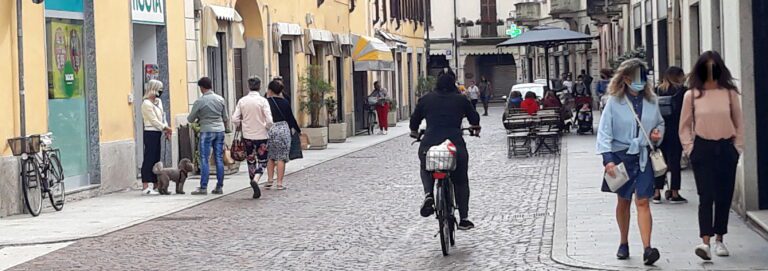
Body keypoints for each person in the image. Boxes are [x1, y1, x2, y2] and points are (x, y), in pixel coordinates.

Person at [597, 58, 664, 266]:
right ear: (625, 79)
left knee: (643, 201)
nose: (641, 82)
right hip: (620, 156)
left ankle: (647, 248)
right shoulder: (613, 102)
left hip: (643, 156)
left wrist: (657, 134)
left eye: (643, 78)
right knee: (623, 201)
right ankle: (623, 242)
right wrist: (607, 159)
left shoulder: (652, 102)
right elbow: (604, 131)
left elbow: (660, 123)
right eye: (636, 78)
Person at [679, 51, 743, 260]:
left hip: (726, 148)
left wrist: (737, 148)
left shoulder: (729, 93)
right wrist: (690, 149)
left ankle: (720, 239)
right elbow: (684, 126)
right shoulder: (692, 95)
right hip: (703, 148)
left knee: (724, 196)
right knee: (705, 196)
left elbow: (739, 122)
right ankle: (704, 241)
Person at [411, 68, 481, 230]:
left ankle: (429, 194)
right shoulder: (461, 100)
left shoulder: (426, 99)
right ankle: (463, 218)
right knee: (461, 180)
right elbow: (474, 118)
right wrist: (475, 128)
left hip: (430, 143)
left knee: (425, 167)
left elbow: (414, 120)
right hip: (454, 145)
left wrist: (415, 132)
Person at [232, 76, 273, 199]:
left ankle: (252, 182)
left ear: (248, 86)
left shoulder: (242, 101)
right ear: (260, 86)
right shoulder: (263, 101)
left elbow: (234, 118)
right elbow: (270, 120)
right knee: (263, 161)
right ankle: (256, 178)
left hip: (247, 135)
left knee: (250, 160)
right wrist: (266, 126)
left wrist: (241, 124)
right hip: (261, 135)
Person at [188, 77, 229, 195]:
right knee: (219, 158)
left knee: (204, 159)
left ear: (201, 88)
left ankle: (203, 186)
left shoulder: (200, 101)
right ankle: (219, 186)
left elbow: (190, 118)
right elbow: (225, 117)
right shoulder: (220, 99)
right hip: (220, 130)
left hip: (206, 130)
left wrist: (200, 117)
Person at [652, 66, 687, 204]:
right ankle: (674, 193)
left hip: (660, 130)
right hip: (676, 130)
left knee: (659, 162)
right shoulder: (683, 91)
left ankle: (656, 192)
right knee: (675, 162)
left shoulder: (658, 90)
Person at [266, 80, 301, 191]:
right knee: (281, 157)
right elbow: (291, 118)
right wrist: (298, 130)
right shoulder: (285, 102)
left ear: (270, 90)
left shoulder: (266, 102)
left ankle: (270, 180)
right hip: (283, 130)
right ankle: (279, 183)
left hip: (269, 130)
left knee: (270, 156)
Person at [140, 79, 172, 195]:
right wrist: (165, 128)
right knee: (149, 157)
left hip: (158, 131)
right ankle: (145, 185)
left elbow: (163, 116)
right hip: (150, 132)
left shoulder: (158, 102)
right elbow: (153, 120)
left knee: (156, 159)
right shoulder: (146, 104)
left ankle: (156, 183)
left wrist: (166, 128)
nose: (161, 91)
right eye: (159, 89)